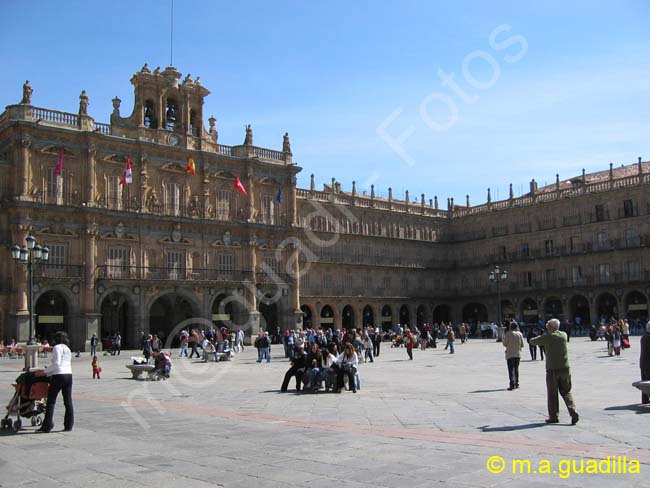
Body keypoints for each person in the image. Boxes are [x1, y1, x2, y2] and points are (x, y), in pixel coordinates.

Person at [530, 318, 579, 425]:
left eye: (547, 324)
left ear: (550, 327)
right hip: (565, 368)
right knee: (566, 391)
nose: (546, 325)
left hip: (552, 369)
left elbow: (532, 341)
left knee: (552, 394)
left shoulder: (547, 337)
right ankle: (573, 410)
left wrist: (542, 334)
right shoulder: (564, 335)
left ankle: (553, 416)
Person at [36, 331, 74, 433]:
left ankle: (47, 426)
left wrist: (44, 372)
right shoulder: (67, 349)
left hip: (59, 375)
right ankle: (68, 425)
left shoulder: (57, 348)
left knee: (51, 401)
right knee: (68, 401)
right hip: (69, 375)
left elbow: (56, 364)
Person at [502, 322, 524, 390]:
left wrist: (503, 338)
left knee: (511, 369)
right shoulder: (520, 333)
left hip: (510, 354)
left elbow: (505, 344)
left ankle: (512, 384)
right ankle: (517, 383)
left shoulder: (508, 334)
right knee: (516, 369)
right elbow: (522, 345)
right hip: (518, 354)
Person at [640, 322, 650, 404]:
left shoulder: (644, 336)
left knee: (644, 382)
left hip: (643, 362)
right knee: (648, 382)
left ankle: (645, 400)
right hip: (648, 363)